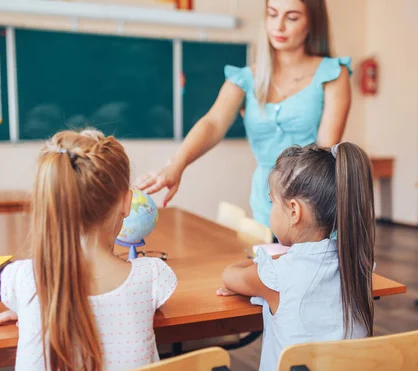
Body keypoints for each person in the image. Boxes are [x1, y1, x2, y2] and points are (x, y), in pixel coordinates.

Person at [136, 0, 352, 227]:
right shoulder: (244, 78)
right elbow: (212, 123)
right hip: (266, 201)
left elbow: (326, 151)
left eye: (292, 17)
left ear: (312, 23)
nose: (278, 26)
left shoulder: (333, 74)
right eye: (272, 14)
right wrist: (175, 166)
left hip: (315, 200)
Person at [0, 129, 177, 371]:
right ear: (127, 203)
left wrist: (29, 305)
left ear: (51, 203)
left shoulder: (22, 278)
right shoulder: (152, 276)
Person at [216, 142, 376, 371]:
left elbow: (229, 275)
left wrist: (264, 264)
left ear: (293, 211)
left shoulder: (278, 275)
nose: (270, 211)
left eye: (272, 203)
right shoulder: (358, 265)